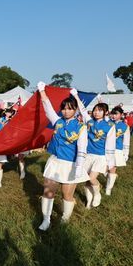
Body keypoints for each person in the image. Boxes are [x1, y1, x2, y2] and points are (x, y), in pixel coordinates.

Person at [37, 82, 89, 231]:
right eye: (64, 108)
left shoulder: (81, 127)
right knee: (48, 192)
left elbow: (82, 149)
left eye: (70, 108)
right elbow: (47, 107)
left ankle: (65, 218)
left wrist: (79, 167)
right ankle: (46, 219)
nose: (66, 111)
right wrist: (42, 91)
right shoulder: (57, 122)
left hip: (71, 164)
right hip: (55, 162)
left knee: (67, 195)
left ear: (75, 110)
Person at [72, 90, 116, 209]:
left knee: (92, 178)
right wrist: (76, 96)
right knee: (86, 180)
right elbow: (82, 110)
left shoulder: (110, 126)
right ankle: (88, 202)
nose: (96, 113)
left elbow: (111, 145)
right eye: (95, 110)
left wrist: (110, 162)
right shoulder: (89, 122)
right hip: (88, 155)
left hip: (100, 157)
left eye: (100, 111)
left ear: (105, 113)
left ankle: (97, 194)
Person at [106, 106, 131, 196]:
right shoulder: (107, 123)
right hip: (105, 149)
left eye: (116, 114)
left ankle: (108, 189)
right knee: (105, 168)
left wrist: (125, 153)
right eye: (112, 113)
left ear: (121, 115)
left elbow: (126, 141)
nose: (113, 116)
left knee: (112, 170)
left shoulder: (125, 126)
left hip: (117, 150)